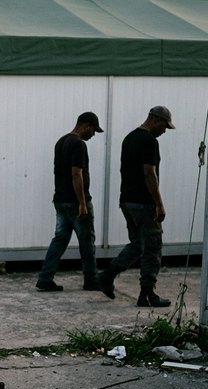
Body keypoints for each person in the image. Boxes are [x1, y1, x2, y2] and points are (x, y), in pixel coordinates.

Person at [98, 106, 175, 307]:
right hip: (144, 203)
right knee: (152, 247)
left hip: (127, 201)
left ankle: (107, 275)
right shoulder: (150, 141)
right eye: (165, 126)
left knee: (137, 244)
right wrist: (159, 203)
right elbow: (149, 173)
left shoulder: (129, 137)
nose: (164, 131)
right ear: (156, 120)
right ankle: (147, 294)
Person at [36, 112, 104, 292]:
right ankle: (91, 280)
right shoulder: (78, 144)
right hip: (75, 202)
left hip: (60, 200)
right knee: (87, 240)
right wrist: (82, 202)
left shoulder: (61, 141)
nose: (93, 135)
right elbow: (76, 173)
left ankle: (45, 277)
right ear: (86, 125)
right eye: (93, 130)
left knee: (59, 239)